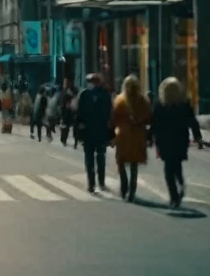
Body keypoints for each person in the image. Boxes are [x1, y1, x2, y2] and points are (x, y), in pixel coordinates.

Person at [147, 77, 204, 209]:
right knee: (176, 165)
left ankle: (174, 196)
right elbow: (193, 123)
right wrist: (198, 138)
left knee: (168, 170)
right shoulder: (184, 105)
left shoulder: (160, 105)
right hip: (180, 141)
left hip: (165, 141)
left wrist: (149, 138)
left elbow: (154, 124)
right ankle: (180, 184)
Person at [110, 74, 151, 202]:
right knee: (134, 165)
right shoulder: (143, 101)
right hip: (138, 135)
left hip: (123, 135)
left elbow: (114, 118)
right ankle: (132, 191)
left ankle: (124, 186)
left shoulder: (120, 100)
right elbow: (149, 117)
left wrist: (111, 134)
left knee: (121, 161)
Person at [75, 73, 113, 193]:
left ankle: (96, 183)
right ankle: (95, 183)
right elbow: (79, 115)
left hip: (94, 131)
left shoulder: (88, 94)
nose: (93, 84)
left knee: (94, 158)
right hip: (96, 132)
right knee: (95, 158)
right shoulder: (100, 94)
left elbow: (79, 115)